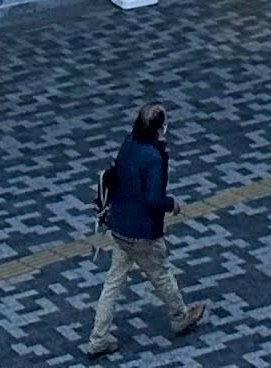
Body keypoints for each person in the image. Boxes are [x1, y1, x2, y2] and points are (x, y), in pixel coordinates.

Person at [84, 104, 205, 357]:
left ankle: (98, 338)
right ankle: (180, 317)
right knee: (161, 274)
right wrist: (172, 204)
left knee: (113, 283)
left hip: (120, 227)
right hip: (142, 233)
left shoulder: (128, 143)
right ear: (160, 128)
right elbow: (153, 198)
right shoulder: (153, 157)